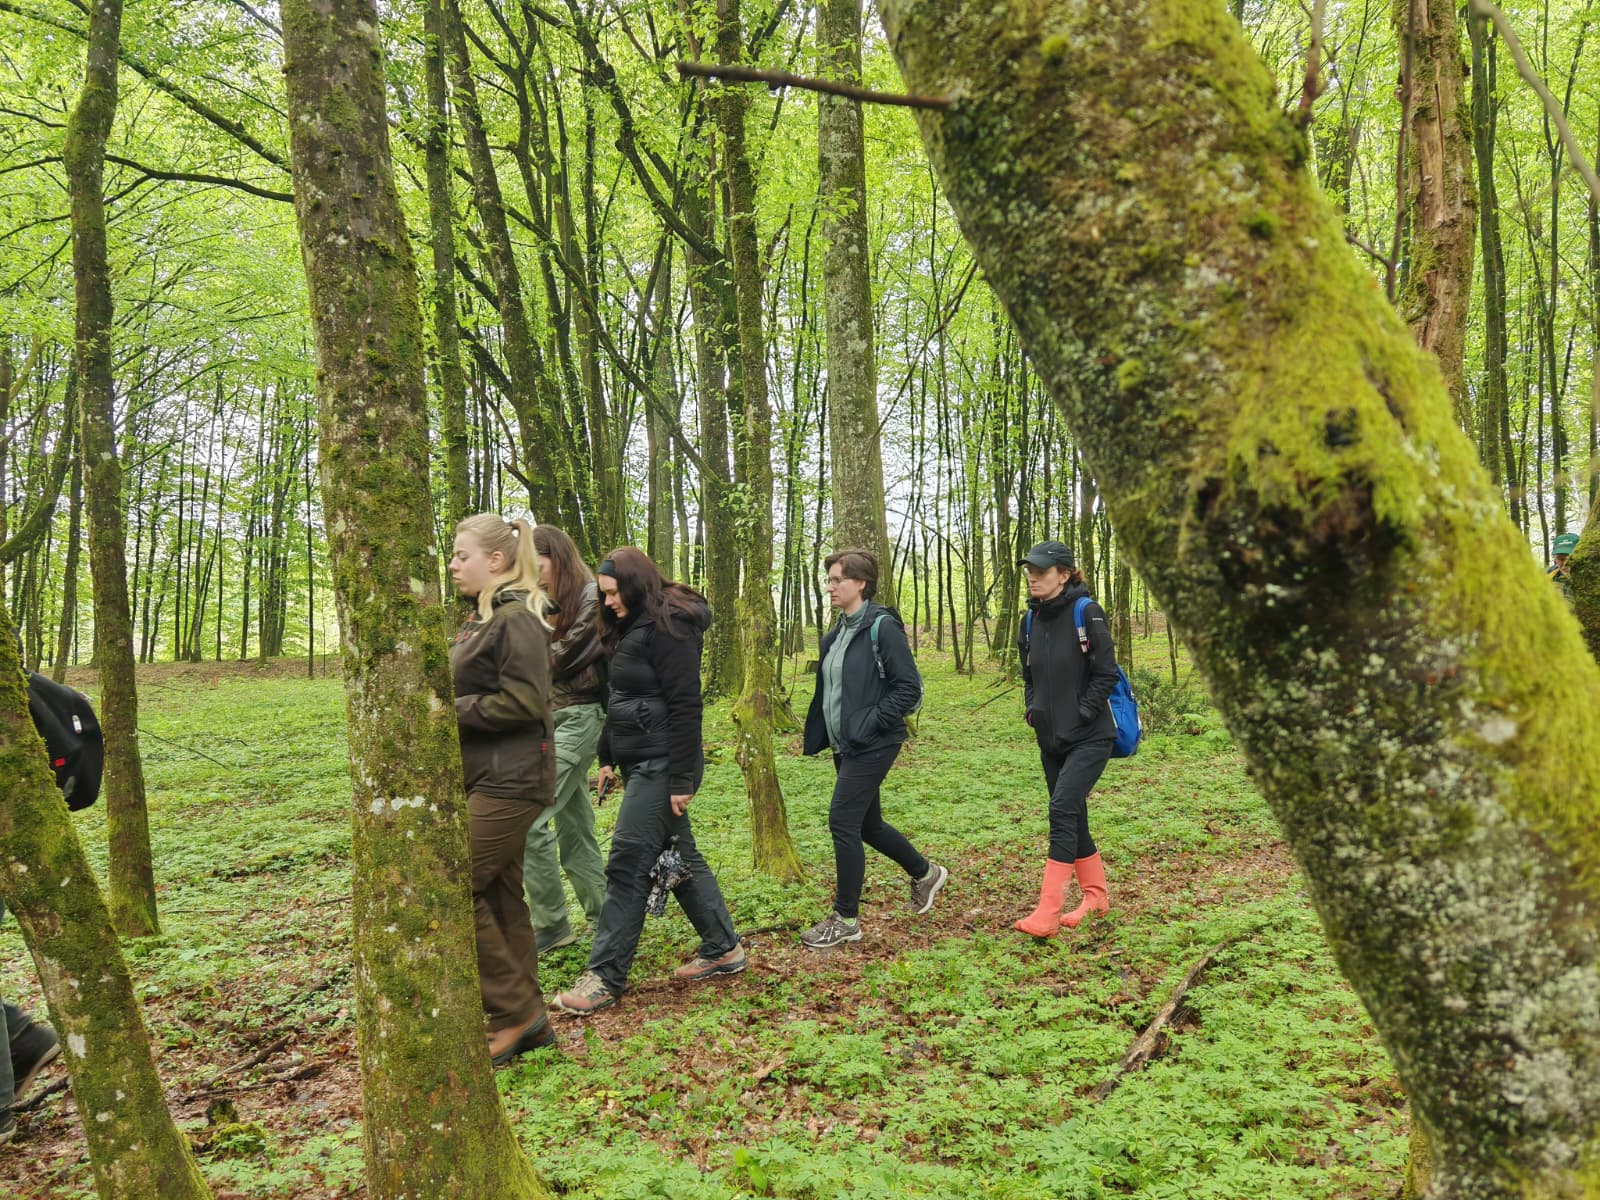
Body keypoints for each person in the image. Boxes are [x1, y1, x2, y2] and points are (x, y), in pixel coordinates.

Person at [551, 548, 744, 1014]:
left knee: (627, 861)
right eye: (603, 594)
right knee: (677, 857)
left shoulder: (670, 627)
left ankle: (604, 977)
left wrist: (681, 778)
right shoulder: (628, 626)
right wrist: (606, 757)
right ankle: (723, 947)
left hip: (665, 764)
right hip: (640, 761)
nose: (607, 601)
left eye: (613, 593)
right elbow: (619, 696)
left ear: (636, 585)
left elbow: (685, 705)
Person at [449, 513, 559, 1064]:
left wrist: (446, 710)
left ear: (495, 560)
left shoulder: (517, 619)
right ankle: (527, 1016)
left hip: (511, 780)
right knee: (497, 893)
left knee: (452, 884)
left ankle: (512, 1011)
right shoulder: (482, 618)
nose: (452, 565)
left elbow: (524, 702)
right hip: (487, 776)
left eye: (461, 555)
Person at [799, 550, 947, 949]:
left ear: (861, 583)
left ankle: (846, 919)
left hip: (875, 741)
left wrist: (871, 722)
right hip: (846, 743)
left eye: (837, 580)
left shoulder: (882, 627)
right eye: (829, 580)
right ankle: (926, 873)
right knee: (868, 825)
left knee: (842, 821)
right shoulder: (836, 633)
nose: (830, 587)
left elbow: (908, 688)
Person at [1012, 540, 1121, 937]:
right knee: (1073, 813)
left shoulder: (1086, 612)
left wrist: (1083, 712)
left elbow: (1106, 673)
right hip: (1050, 740)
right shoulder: (1030, 620)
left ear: (1064, 574)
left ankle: (1048, 911)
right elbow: (1028, 675)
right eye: (1030, 571)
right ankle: (1096, 898)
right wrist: (1033, 710)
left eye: (1041, 571)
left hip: (1091, 737)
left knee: (1061, 809)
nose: (1033, 577)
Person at [521, 525, 609, 954]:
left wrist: (517, 658)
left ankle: (552, 925)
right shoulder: (542, 600)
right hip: (550, 717)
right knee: (575, 827)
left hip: (581, 715)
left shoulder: (591, 597)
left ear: (556, 558)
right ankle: (606, 917)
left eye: (536, 564)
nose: (532, 574)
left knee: (529, 818)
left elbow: (560, 657)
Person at [1548, 532, 1579, 603]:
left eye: (1570, 558)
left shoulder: (1590, 574)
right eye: (1561, 559)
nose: (1565, 563)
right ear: (1555, 558)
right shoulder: (1549, 574)